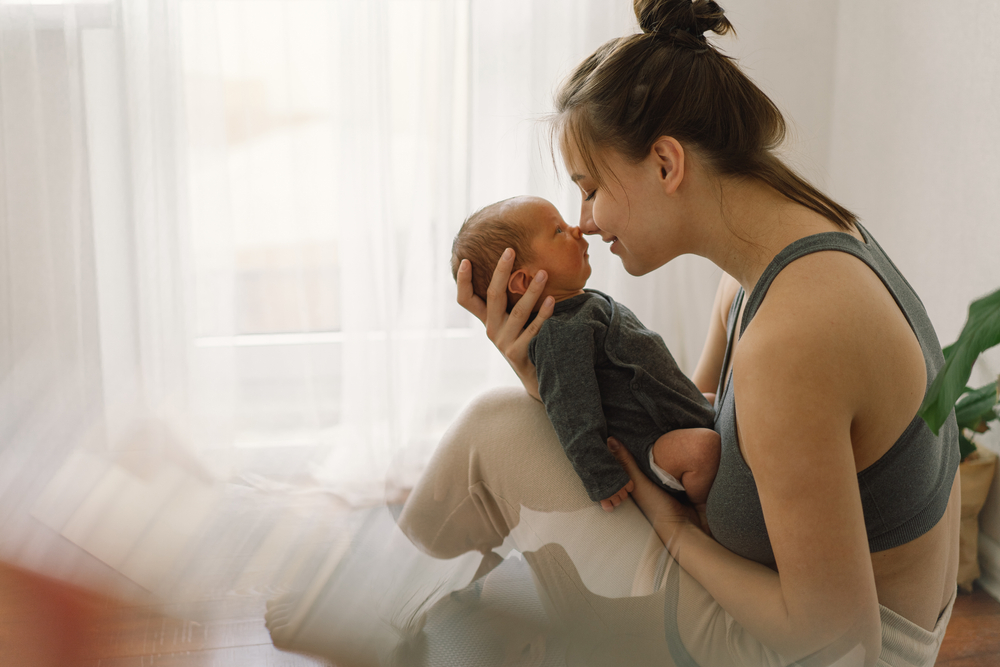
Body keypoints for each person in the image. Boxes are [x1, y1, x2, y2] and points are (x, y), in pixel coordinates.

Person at [400, 0, 961, 665]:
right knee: (509, 429)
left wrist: (674, 533)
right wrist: (537, 368)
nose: (584, 221)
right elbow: (676, 427)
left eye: (588, 187)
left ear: (666, 164)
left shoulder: (791, 339)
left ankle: (386, 599)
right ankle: (416, 601)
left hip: (824, 652)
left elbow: (841, 642)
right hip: (814, 615)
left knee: (491, 431)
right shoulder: (787, 258)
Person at [450, 194, 720, 510]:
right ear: (524, 280)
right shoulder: (559, 332)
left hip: (670, 416)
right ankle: (703, 513)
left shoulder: (582, 305)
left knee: (714, 403)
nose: (577, 228)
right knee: (703, 450)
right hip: (648, 443)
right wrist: (602, 476)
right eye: (558, 231)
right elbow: (572, 411)